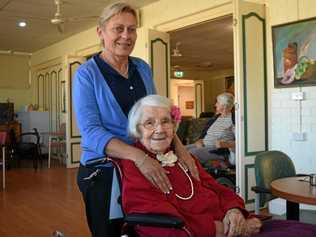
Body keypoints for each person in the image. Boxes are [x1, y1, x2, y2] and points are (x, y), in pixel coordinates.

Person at [72, 2, 198, 237]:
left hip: (144, 166)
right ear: (101, 32)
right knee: (109, 233)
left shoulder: (142, 68)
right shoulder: (86, 74)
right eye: (117, 29)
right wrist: (139, 157)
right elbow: (91, 132)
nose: (125, 36)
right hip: (104, 171)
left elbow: (159, 115)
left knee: (148, 229)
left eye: (131, 29)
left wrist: (181, 149)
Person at [119, 94, 316, 237]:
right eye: (149, 123)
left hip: (229, 223)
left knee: (306, 230)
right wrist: (230, 229)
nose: (160, 129)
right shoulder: (136, 166)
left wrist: (234, 211)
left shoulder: (183, 158)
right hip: (210, 232)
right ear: (137, 130)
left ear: (174, 127)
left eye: (165, 121)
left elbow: (217, 188)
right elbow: (161, 225)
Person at [186, 92, 236, 167]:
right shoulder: (215, 118)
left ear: (224, 106)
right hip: (203, 145)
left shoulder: (234, 119)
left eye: (217, 103)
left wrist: (225, 144)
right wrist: (200, 140)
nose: (215, 105)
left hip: (217, 150)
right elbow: (204, 133)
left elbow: (240, 141)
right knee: (180, 150)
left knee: (190, 154)